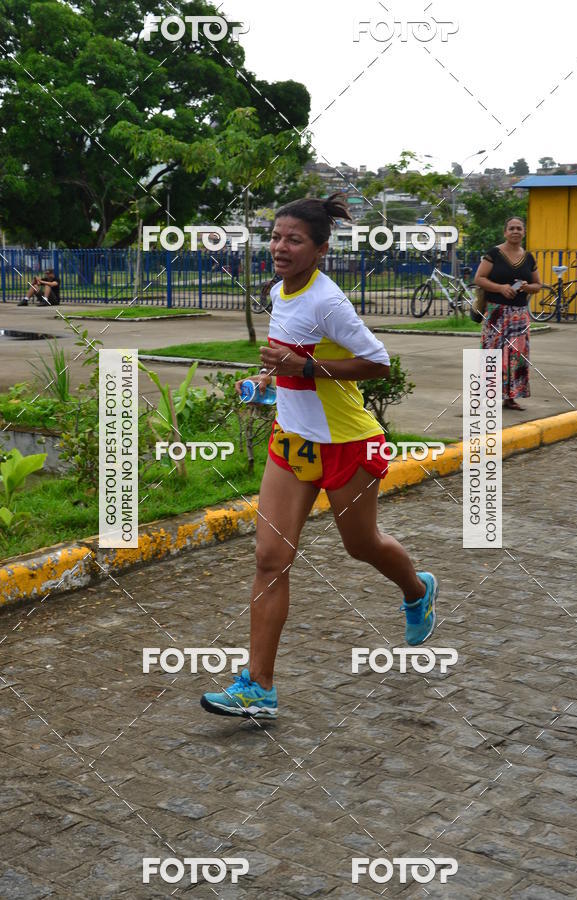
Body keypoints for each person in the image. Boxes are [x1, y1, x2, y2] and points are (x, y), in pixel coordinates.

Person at [201, 193, 439, 719]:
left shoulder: (328, 302)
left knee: (362, 545)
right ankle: (258, 687)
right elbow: (295, 357)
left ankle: (417, 589)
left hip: (348, 444)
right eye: (277, 237)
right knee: (270, 559)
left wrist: (302, 369)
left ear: (320, 249)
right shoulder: (280, 291)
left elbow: (378, 364)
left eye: (295, 240)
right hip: (291, 443)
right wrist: (270, 379)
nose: (281, 247)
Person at [474, 217, 541, 410]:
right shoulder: (494, 254)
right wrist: (501, 288)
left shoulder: (528, 258)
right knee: (493, 353)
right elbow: (479, 278)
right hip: (497, 312)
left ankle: (511, 397)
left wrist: (528, 287)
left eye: (519, 228)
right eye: (511, 228)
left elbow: (538, 285)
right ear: (505, 232)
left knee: (517, 355)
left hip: (519, 315)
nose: (515, 231)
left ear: (524, 232)